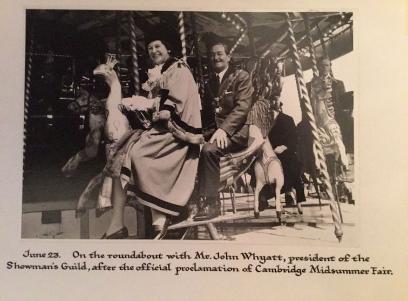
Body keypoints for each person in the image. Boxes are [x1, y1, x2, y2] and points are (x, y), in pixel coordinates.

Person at [101, 34, 203, 239]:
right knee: (122, 152)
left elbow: (174, 102)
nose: (154, 50)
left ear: (169, 48)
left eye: (158, 46)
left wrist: (151, 106)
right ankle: (117, 224)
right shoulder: (163, 71)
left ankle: (160, 218)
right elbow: (158, 101)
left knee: (138, 155)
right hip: (162, 129)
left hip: (177, 134)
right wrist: (141, 103)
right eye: (150, 48)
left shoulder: (179, 69)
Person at [197, 39, 254, 219]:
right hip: (215, 131)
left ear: (229, 56)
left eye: (220, 53)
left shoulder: (241, 77)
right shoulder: (209, 83)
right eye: (212, 55)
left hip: (236, 131)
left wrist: (224, 130)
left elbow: (242, 108)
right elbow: (206, 114)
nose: (216, 58)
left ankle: (212, 203)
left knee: (209, 150)